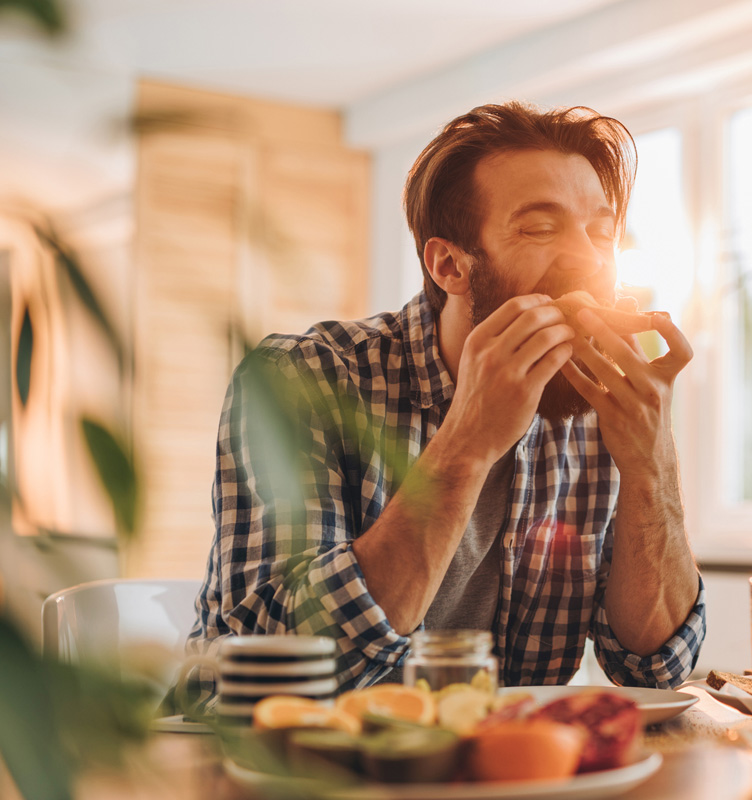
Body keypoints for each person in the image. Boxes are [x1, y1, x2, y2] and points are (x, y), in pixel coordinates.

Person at [186, 101, 705, 695]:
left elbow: (655, 668)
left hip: (498, 772)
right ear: (449, 264)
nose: (588, 258)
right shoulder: (300, 380)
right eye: (540, 227)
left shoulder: (599, 408)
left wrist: (653, 464)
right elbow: (266, 672)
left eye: (602, 233)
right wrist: (468, 440)